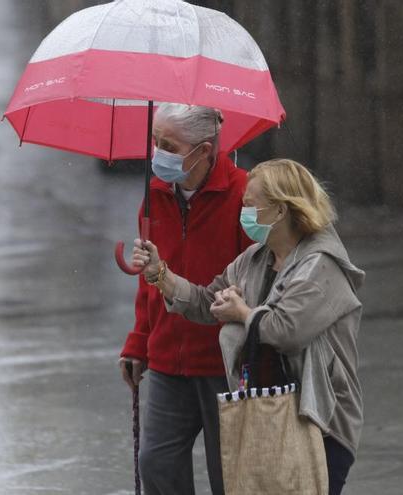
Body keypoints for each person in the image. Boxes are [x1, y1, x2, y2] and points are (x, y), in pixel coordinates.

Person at [132, 159, 365, 495]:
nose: (243, 212)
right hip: (268, 411)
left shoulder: (321, 264)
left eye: (250, 205)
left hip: (319, 420)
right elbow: (204, 301)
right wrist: (160, 274)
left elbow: (286, 330)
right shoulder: (255, 259)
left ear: (281, 210)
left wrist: (242, 313)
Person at [118, 103, 252, 494]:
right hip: (166, 361)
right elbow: (148, 285)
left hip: (223, 362)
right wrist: (139, 342)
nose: (157, 152)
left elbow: (255, 280)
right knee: (156, 463)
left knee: (227, 475)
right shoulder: (153, 195)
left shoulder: (243, 195)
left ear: (205, 150)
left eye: (169, 145)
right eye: (154, 141)